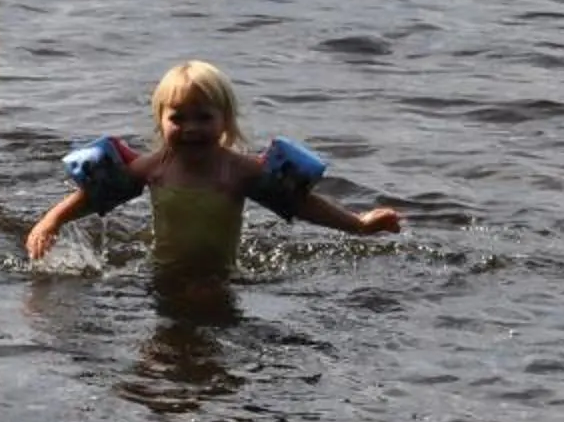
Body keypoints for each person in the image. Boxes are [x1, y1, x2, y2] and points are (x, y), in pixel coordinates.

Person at [25, 59, 400, 280]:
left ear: (225, 121)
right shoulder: (154, 167)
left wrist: (359, 225)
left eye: (204, 117)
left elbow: (301, 203)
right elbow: (95, 195)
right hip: (163, 277)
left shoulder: (241, 171)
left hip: (222, 278)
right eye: (178, 118)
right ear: (160, 121)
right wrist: (51, 221)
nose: (191, 128)